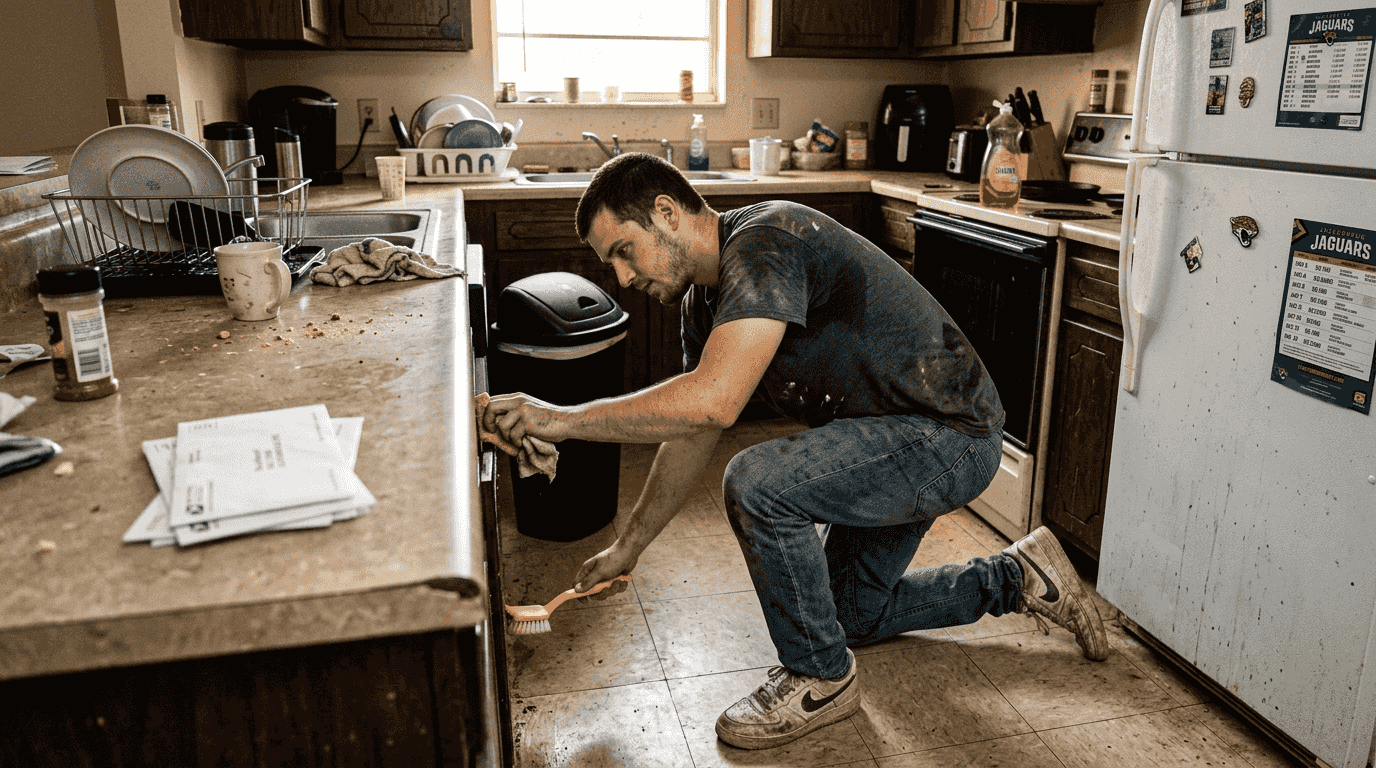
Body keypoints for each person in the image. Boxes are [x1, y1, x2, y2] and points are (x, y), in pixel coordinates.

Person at [479, 152, 1108, 751]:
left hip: (949, 436)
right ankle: (1019, 576)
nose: (622, 277)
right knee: (844, 617)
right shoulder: (704, 303)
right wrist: (628, 547)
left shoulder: (765, 242)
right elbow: (691, 429)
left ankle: (819, 681)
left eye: (622, 251)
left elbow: (714, 403)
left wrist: (561, 420)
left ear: (667, 214)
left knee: (758, 481)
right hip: (893, 438)